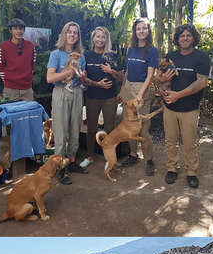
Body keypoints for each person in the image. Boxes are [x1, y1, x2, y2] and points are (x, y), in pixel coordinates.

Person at [157, 23, 210, 188]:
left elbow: (201, 82)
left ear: (193, 37)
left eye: (188, 35)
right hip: (170, 107)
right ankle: (172, 168)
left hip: (189, 108)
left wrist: (178, 95)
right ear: (177, 39)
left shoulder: (201, 57)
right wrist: (163, 88)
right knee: (170, 140)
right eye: (181, 36)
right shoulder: (171, 56)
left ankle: (191, 171)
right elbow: (163, 78)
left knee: (189, 142)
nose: (185, 38)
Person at [112, 18, 159, 176]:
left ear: (148, 30)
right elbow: (127, 71)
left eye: (144, 28)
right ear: (135, 31)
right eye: (138, 29)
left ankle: (149, 160)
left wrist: (140, 94)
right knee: (129, 124)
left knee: (143, 128)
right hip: (128, 86)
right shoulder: (130, 48)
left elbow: (150, 75)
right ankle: (133, 155)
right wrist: (122, 90)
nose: (141, 31)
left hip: (142, 88)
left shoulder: (152, 50)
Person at [46, 21, 88, 185]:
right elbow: (50, 78)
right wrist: (70, 72)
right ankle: (60, 169)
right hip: (61, 93)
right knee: (61, 133)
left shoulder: (81, 56)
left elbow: (82, 77)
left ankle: (71, 162)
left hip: (77, 93)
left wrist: (82, 75)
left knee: (75, 130)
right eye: (69, 32)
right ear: (64, 34)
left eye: (75, 32)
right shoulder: (56, 54)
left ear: (78, 36)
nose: (72, 35)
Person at [83, 26, 120, 164]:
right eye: (97, 36)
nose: (100, 39)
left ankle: (108, 157)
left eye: (103, 37)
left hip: (110, 98)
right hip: (92, 97)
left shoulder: (112, 56)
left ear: (106, 39)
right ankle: (89, 156)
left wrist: (111, 71)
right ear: (93, 38)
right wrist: (98, 84)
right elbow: (83, 79)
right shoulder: (86, 56)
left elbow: (121, 77)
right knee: (91, 128)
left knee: (109, 129)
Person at [0, 18, 37, 101]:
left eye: (21, 28)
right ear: (11, 30)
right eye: (15, 29)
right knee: (11, 113)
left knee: (28, 113)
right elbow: (0, 68)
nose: (19, 31)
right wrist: (9, 81)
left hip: (27, 89)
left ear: (24, 30)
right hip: (10, 90)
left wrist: (27, 79)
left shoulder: (31, 46)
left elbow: (33, 65)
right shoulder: (2, 47)